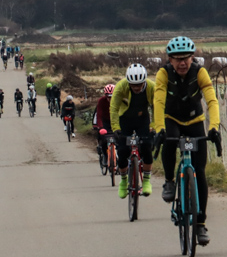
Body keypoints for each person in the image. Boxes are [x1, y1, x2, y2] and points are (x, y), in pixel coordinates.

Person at [152, 36, 220, 247]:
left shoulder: (200, 72)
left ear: (193, 57)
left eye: (186, 58)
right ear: (170, 60)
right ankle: (170, 181)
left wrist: (214, 127)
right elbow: (159, 100)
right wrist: (159, 128)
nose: (182, 63)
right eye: (178, 59)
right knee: (170, 142)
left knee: (199, 172)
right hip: (172, 119)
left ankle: (200, 224)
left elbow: (211, 99)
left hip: (194, 120)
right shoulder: (163, 73)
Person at [111, 63, 156, 199]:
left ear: (144, 82)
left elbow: (157, 107)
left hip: (143, 119)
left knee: (147, 147)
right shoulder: (121, 87)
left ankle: (147, 180)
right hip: (125, 120)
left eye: (139, 84)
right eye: (133, 85)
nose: (136, 88)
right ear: (128, 83)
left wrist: (154, 126)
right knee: (123, 151)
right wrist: (115, 128)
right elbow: (113, 108)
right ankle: (124, 181)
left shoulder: (152, 87)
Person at [94, 83, 115, 159]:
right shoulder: (101, 101)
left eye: (112, 97)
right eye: (108, 97)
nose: (110, 99)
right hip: (105, 121)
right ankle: (105, 157)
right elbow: (99, 115)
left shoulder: (118, 100)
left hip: (115, 121)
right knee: (103, 139)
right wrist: (100, 127)